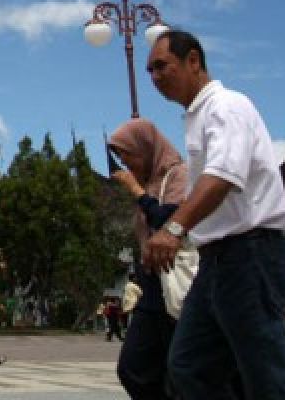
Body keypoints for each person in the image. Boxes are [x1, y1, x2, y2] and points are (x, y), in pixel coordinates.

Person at [142, 30, 285, 399]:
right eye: (149, 70)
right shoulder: (197, 117)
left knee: (268, 376)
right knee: (190, 367)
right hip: (216, 260)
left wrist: (173, 229)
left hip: (251, 254)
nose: (155, 78)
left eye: (162, 66)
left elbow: (222, 177)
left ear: (193, 61)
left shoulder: (226, 107)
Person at [108, 118, 187, 398]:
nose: (125, 164)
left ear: (145, 150)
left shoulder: (177, 175)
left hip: (177, 285)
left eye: (127, 155)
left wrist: (138, 192)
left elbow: (172, 222)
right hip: (152, 288)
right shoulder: (149, 183)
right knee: (133, 368)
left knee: (179, 370)